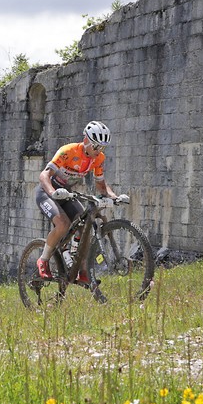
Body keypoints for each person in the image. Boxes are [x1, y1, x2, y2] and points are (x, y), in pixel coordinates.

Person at [35, 121, 129, 292]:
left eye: (102, 147)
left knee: (85, 224)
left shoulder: (98, 158)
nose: (98, 151)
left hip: (66, 193)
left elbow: (101, 185)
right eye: (96, 146)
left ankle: (81, 269)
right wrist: (52, 191)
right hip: (46, 192)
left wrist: (115, 197)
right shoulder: (68, 151)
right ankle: (43, 259)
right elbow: (44, 175)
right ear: (86, 140)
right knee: (63, 224)